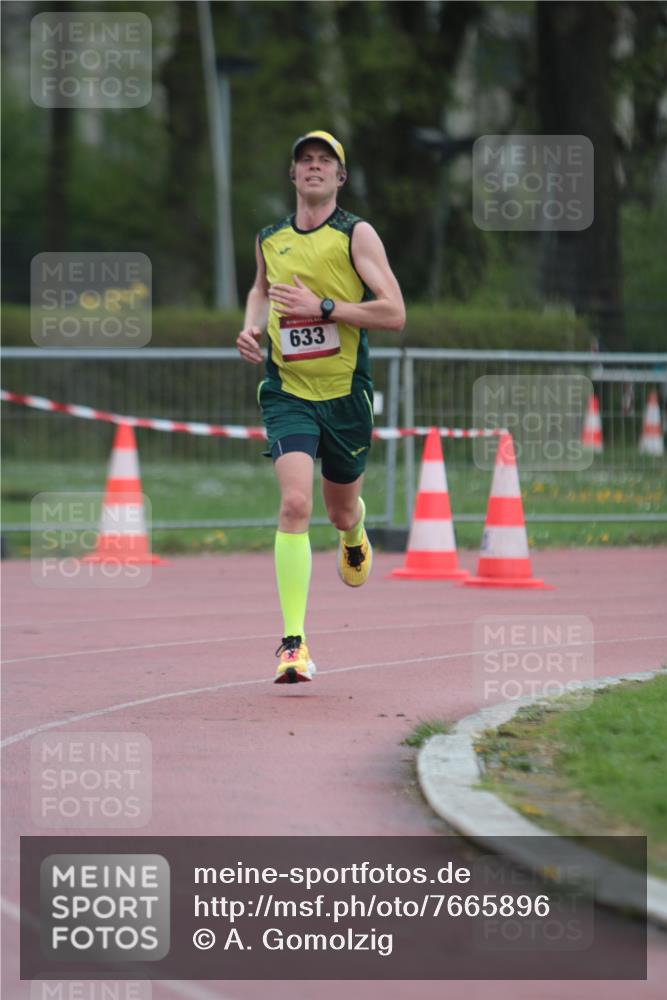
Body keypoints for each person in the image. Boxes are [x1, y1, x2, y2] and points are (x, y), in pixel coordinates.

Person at [236, 130, 405, 684]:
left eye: (324, 161)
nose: (313, 167)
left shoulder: (356, 234)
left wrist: (324, 307)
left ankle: (354, 532)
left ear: (340, 177)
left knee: (338, 512)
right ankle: (294, 644)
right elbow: (261, 289)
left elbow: (394, 313)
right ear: (292, 174)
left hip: (345, 393)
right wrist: (251, 328)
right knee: (294, 503)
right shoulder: (270, 238)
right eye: (304, 160)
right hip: (288, 390)